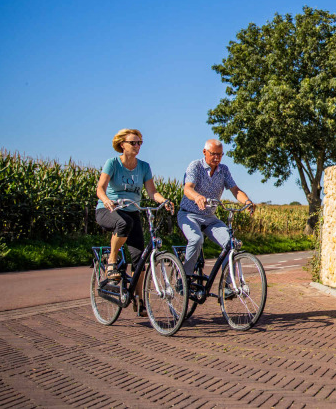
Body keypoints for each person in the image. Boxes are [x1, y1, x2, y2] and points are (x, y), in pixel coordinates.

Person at [95, 128, 174, 315]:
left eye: (140, 143)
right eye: (133, 143)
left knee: (140, 259)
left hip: (132, 211)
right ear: (122, 144)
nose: (137, 146)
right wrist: (106, 200)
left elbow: (152, 192)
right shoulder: (113, 163)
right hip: (108, 210)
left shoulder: (144, 167)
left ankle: (139, 299)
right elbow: (100, 188)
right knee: (124, 224)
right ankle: (112, 261)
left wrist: (164, 201)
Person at [177, 139, 253, 276]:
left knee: (231, 243)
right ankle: (184, 279)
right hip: (189, 214)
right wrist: (197, 197)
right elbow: (187, 188)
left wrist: (247, 201)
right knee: (196, 239)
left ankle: (228, 283)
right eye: (213, 154)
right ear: (204, 152)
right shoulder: (195, 166)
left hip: (210, 218)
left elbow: (235, 190)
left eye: (220, 154)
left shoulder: (223, 170)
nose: (217, 157)